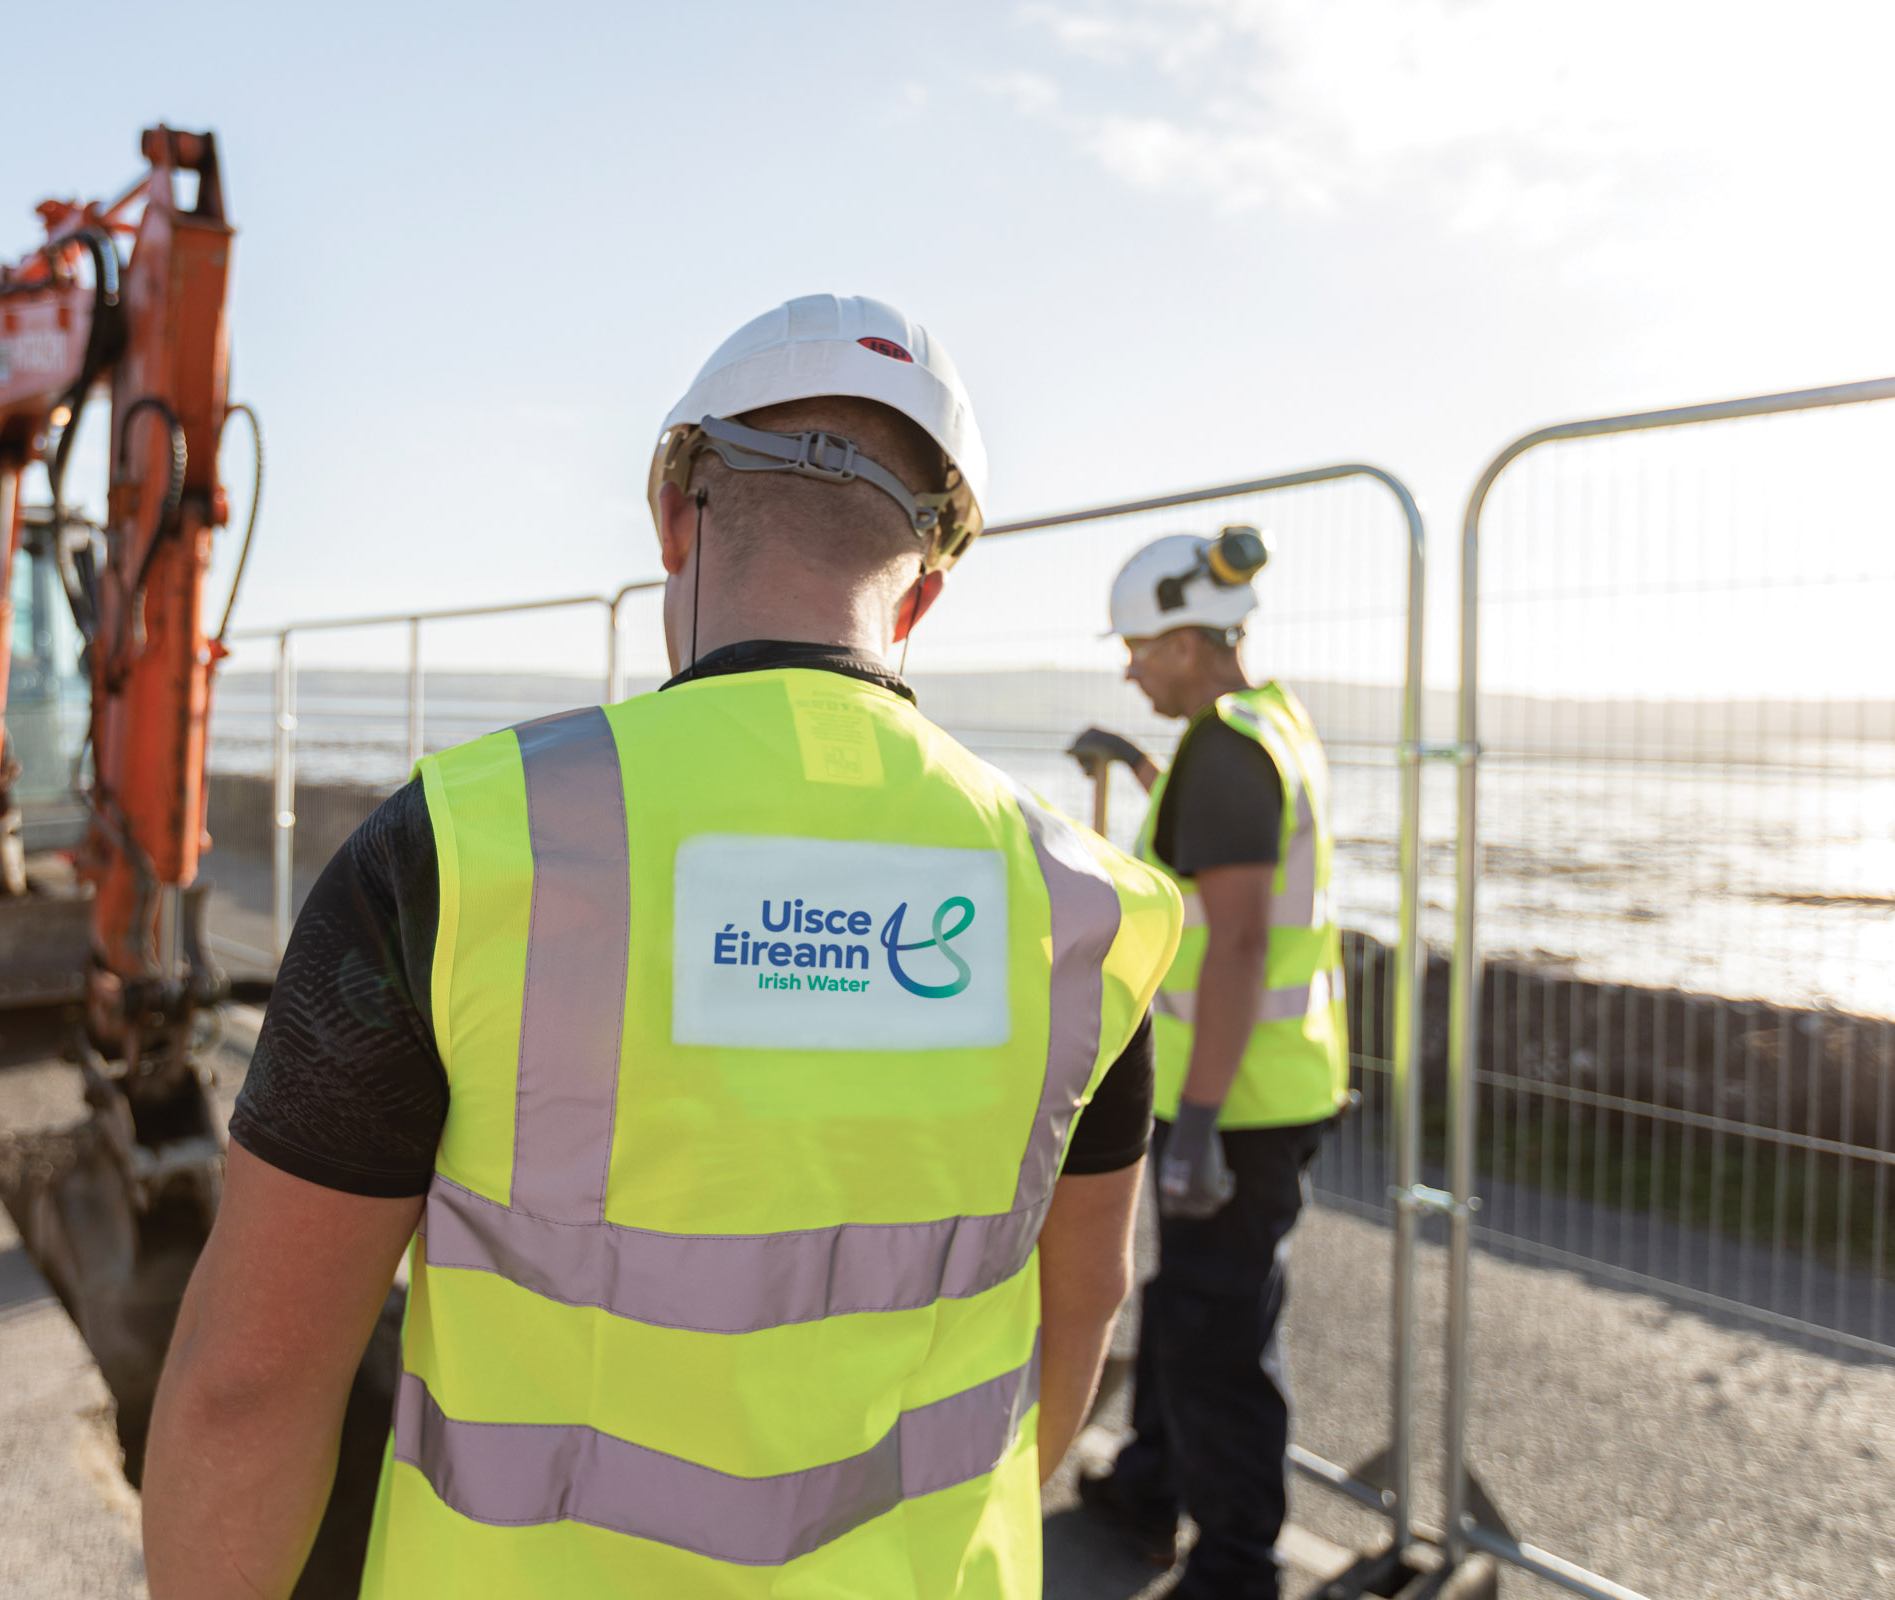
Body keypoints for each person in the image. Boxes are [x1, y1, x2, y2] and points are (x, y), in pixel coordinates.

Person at [141, 294, 1185, 1598]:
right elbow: (1077, 1323)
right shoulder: (1092, 914)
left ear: (675, 512)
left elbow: (248, 1392)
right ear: (924, 586)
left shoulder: (465, 853)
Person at [1066, 528, 1348, 1600]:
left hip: (1232, 1101)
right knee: (1191, 1305)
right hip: (1271, 1083)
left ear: (1189, 639)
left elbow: (1232, 941)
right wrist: (1137, 767)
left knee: (1217, 1336)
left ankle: (1236, 1566)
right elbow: (1215, 847)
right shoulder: (1255, 730)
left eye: (1139, 644)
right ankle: (1148, 1484)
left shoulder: (1227, 752)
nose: (1129, 663)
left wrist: (1192, 1123)